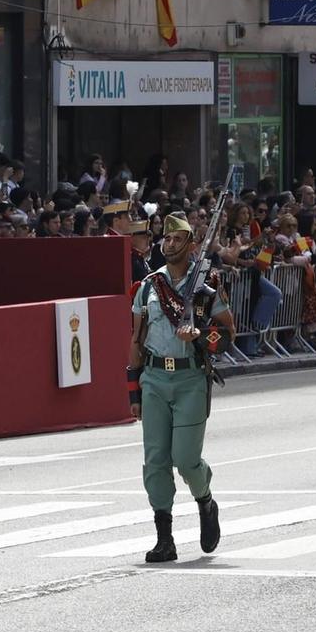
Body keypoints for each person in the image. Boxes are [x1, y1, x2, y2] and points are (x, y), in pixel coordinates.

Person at [127, 215, 236, 562]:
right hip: (155, 378)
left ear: (190, 245)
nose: (169, 244)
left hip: (190, 378)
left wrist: (201, 335)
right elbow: (136, 338)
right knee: (155, 461)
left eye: (177, 240)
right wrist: (133, 390)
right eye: (166, 239)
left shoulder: (206, 286)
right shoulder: (149, 286)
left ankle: (205, 500)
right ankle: (164, 537)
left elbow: (228, 333)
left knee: (186, 460)